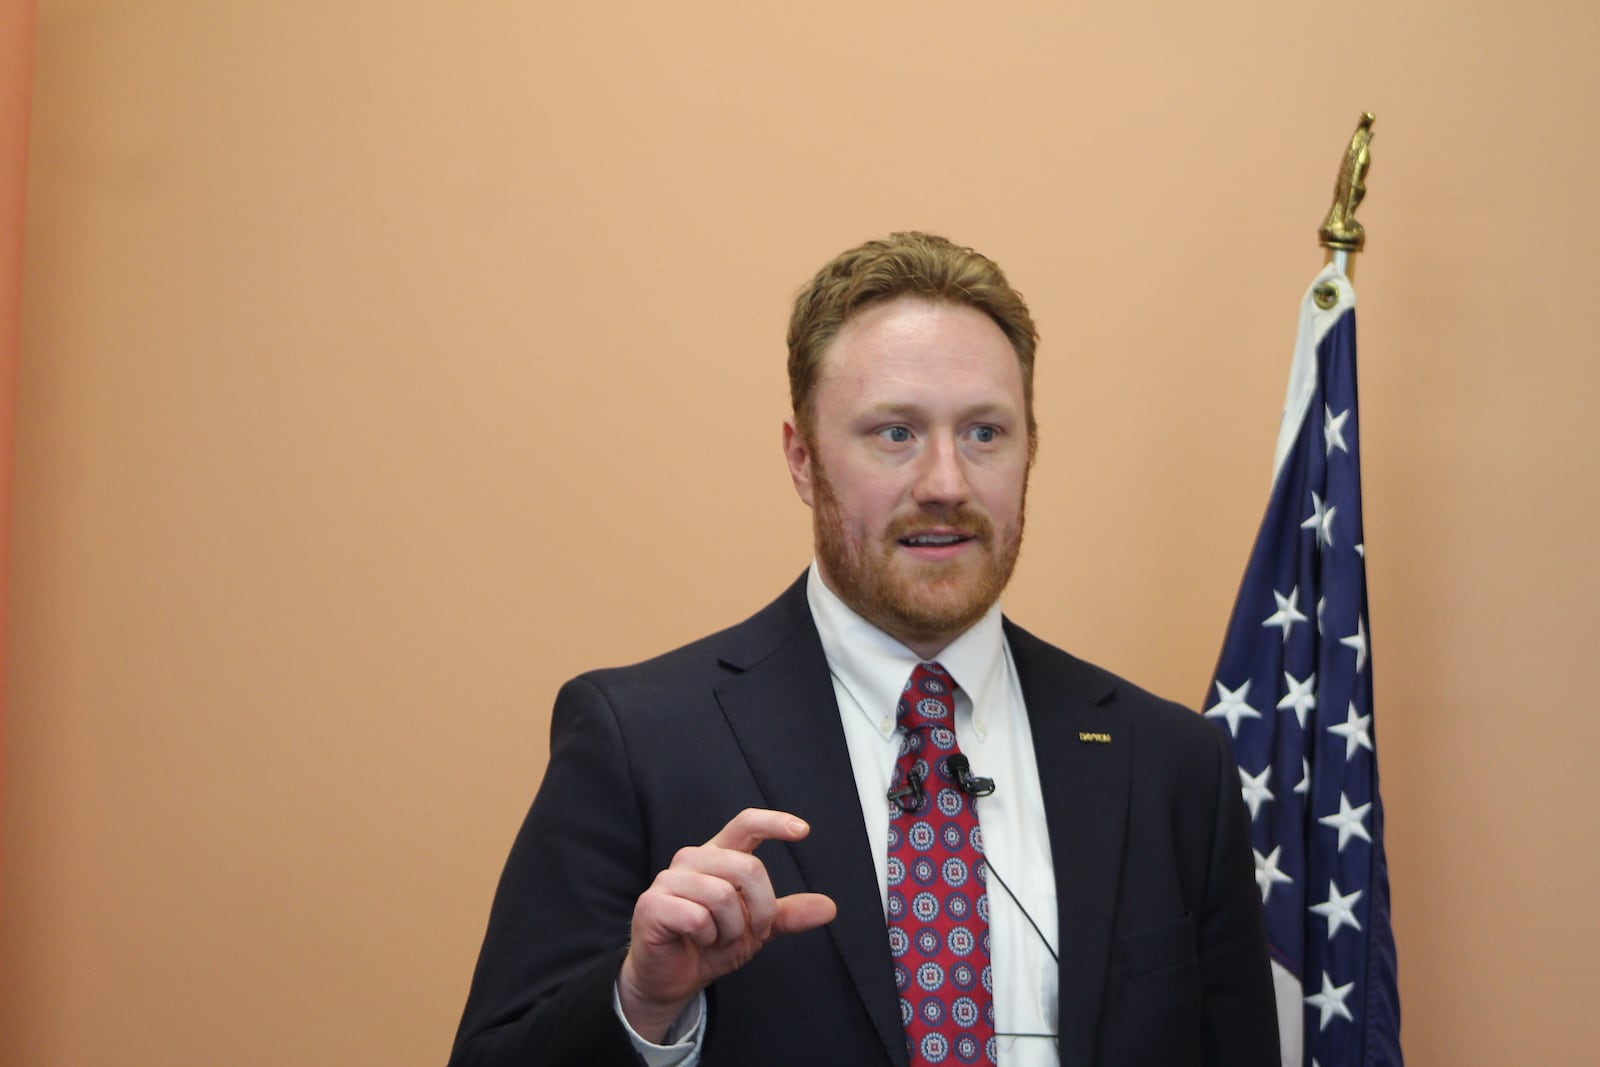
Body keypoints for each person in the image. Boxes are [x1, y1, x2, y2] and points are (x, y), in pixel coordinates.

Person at [447, 232, 1279, 1067]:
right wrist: (643, 1001)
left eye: (985, 432)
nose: (947, 482)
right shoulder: (639, 742)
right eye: (895, 433)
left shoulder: (1173, 764)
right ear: (803, 459)